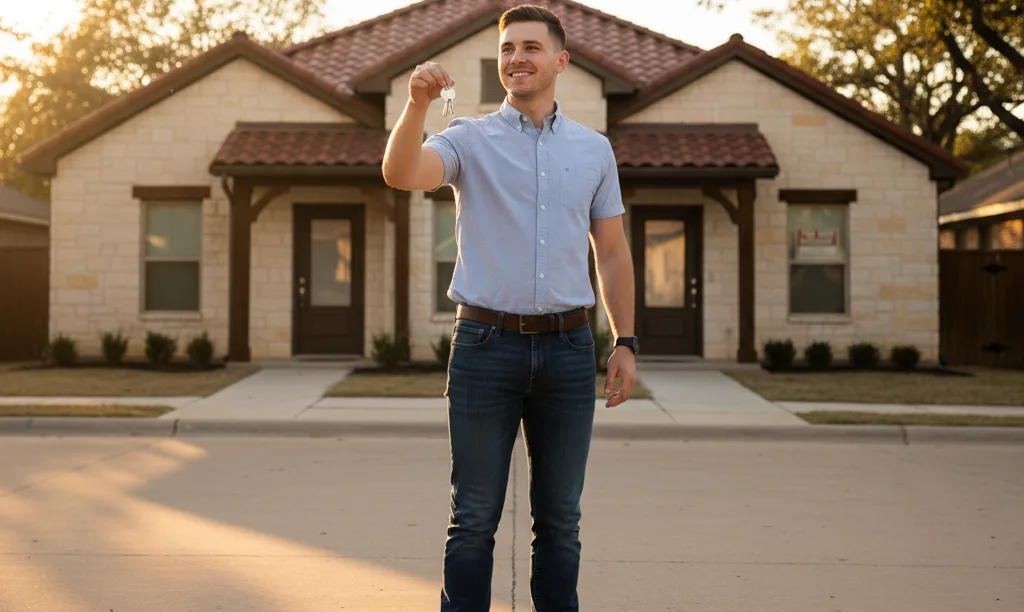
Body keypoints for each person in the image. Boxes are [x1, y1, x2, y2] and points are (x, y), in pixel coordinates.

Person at [382, 4, 638, 610]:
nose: (516, 58)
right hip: (485, 349)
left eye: (530, 47)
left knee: (560, 521)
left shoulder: (594, 150)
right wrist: (416, 103)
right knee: (472, 519)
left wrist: (625, 341)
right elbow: (400, 173)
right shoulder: (469, 139)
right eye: (506, 50)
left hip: (571, 349)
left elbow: (613, 252)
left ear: (560, 60)